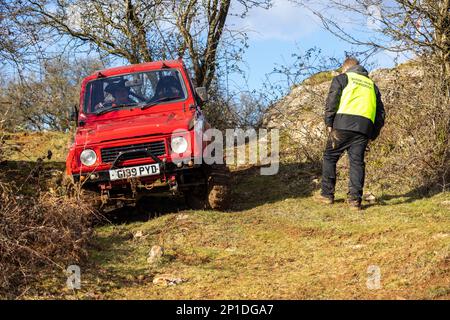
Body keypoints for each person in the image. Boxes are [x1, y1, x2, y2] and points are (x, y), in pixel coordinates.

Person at [317, 57, 385, 210]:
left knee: (330, 157)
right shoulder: (372, 85)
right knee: (356, 162)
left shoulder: (342, 78)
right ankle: (355, 200)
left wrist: (329, 122)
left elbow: (332, 101)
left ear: (346, 68)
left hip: (342, 125)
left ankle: (327, 195)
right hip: (363, 128)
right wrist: (372, 133)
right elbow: (380, 113)